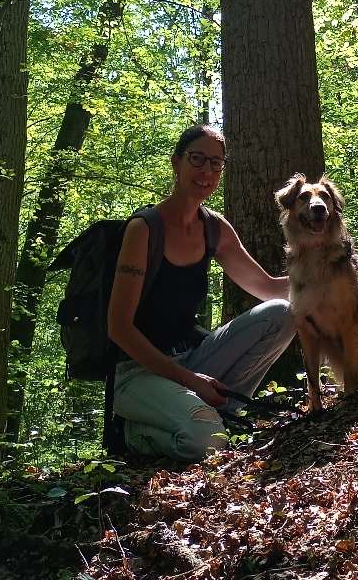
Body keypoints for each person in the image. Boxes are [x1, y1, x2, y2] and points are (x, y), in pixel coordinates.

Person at [107, 124, 295, 461]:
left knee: (283, 312)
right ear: (176, 162)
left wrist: (328, 275)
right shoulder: (143, 230)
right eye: (197, 159)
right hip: (138, 374)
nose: (207, 171)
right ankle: (134, 433)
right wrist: (191, 380)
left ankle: (221, 414)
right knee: (209, 442)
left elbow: (266, 288)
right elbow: (118, 328)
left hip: (193, 359)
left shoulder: (214, 228)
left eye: (216, 163)